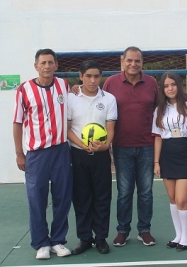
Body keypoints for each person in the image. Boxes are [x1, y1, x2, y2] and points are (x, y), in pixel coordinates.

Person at [13, 48, 73, 260]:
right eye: (43, 63)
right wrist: (20, 154)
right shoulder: (24, 90)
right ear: (36, 66)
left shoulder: (64, 86)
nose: (47, 66)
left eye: (50, 62)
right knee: (36, 199)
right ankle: (41, 243)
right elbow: (18, 122)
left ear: (56, 65)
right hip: (36, 154)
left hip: (60, 151)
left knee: (63, 197)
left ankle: (58, 240)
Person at [103, 46, 158, 247]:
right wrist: (76, 89)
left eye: (137, 61)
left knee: (146, 192)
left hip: (147, 145)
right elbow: (99, 104)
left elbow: (161, 108)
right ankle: (122, 231)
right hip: (121, 146)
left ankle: (144, 230)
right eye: (130, 60)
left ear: (142, 62)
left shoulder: (152, 83)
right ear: (122, 61)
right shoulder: (110, 83)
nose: (133, 64)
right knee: (124, 191)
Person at [67, 60, 117, 255]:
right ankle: (85, 238)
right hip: (78, 154)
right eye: (88, 76)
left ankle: (101, 238)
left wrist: (105, 146)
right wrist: (82, 145)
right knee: (81, 198)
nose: (93, 80)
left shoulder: (109, 99)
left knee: (102, 197)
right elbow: (67, 128)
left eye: (96, 76)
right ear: (81, 76)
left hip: (101, 155)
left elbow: (110, 128)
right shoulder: (71, 98)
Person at [152, 72, 187, 251]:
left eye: (173, 84)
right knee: (172, 199)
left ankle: (186, 237)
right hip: (167, 155)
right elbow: (157, 137)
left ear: (179, 86)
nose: (170, 88)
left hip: (186, 153)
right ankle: (178, 235)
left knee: (181, 199)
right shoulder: (159, 109)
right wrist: (156, 162)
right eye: (166, 86)